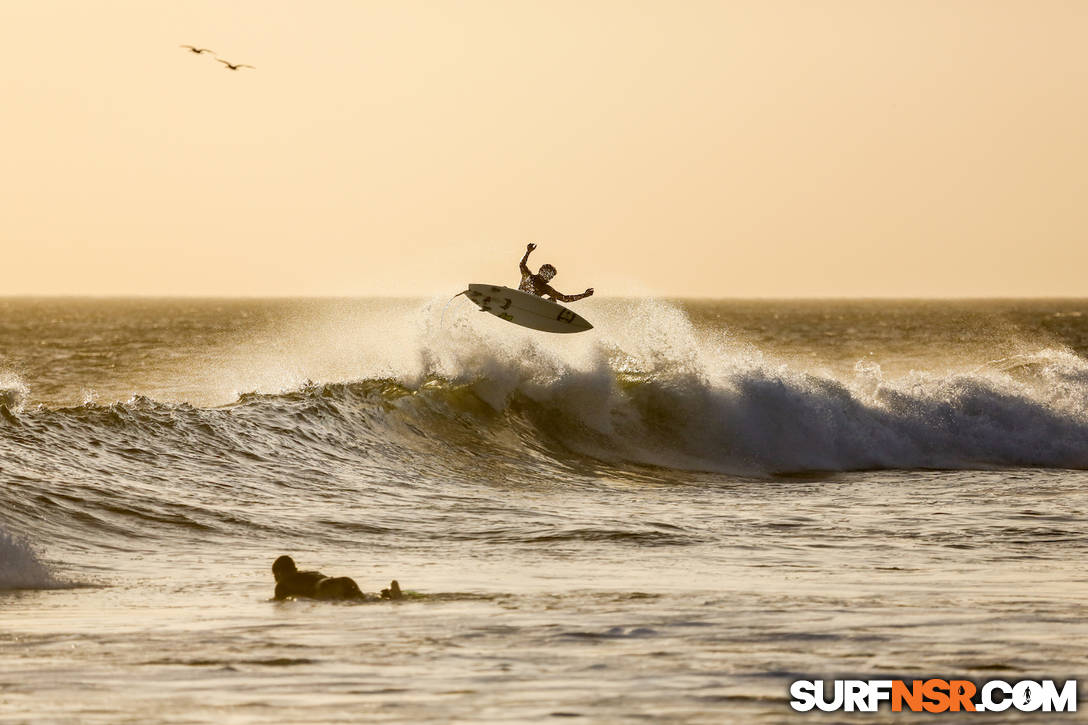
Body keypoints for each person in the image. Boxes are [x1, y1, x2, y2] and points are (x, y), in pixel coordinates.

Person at [271, 555, 403, 601]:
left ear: (279, 573)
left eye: (275, 576)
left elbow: (278, 601)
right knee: (363, 599)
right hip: (343, 580)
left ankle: (388, 596)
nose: (275, 580)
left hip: (325, 587)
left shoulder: (283, 583)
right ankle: (388, 594)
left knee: (358, 602)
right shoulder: (307, 573)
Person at [518, 243, 594, 302]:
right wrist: (528, 252)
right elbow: (522, 264)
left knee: (552, 300)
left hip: (530, 306)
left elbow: (564, 298)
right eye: (548, 274)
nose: (549, 277)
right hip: (517, 298)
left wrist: (584, 295)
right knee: (553, 299)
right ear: (541, 272)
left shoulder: (546, 288)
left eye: (551, 276)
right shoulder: (528, 276)